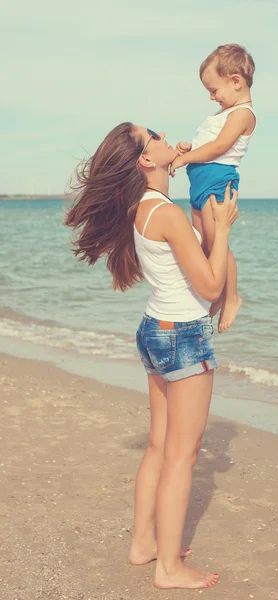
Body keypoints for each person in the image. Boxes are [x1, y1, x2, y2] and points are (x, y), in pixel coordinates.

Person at [64, 123, 238, 590]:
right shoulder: (164, 211)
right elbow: (211, 287)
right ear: (146, 160)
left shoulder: (142, 207)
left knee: (161, 447)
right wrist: (220, 231)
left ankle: (144, 545)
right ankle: (168, 568)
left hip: (155, 330)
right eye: (154, 135)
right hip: (182, 335)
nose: (166, 137)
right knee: (182, 454)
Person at [170, 43, 256, 333]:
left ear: (236, 81)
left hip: (218, 180)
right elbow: (206, 144)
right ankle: (218, 293)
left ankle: (232, 297)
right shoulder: (221, 115)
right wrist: (188, 147)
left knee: (218, 239)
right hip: (200, 181)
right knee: (206, 243)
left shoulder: (243, 114)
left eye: (214, 90)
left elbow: (219, 147)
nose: (211, 96)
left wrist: (185, 158)